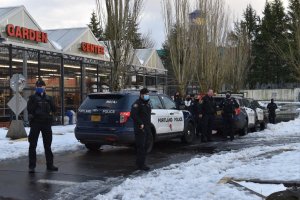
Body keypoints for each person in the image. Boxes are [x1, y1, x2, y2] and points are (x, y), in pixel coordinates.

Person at [27, 78, 58, 173]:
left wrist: (51, 103)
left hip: (46, 123)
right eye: (38, 86)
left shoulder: (49, 98)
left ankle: (50, 164)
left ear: (45, 87)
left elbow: (54, 109)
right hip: (36, 123)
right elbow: (29, 110)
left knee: (47, 145)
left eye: (41, 86)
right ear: (36, 88)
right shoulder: (32, 98)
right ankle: (32, 166)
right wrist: (36, 101)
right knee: (32, 145)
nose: (40, 88)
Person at [131, 88, 151, 171]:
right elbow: (133, 115)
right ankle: (139, 165)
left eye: (147, 94)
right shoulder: (137, 104)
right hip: (140, 128)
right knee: (141, 147)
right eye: (145, 94)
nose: (147, 96)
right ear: (141, 95)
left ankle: (142, 163)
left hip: (147, 127)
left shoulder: (147, 103)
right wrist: (140, 123)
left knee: (146, 146)